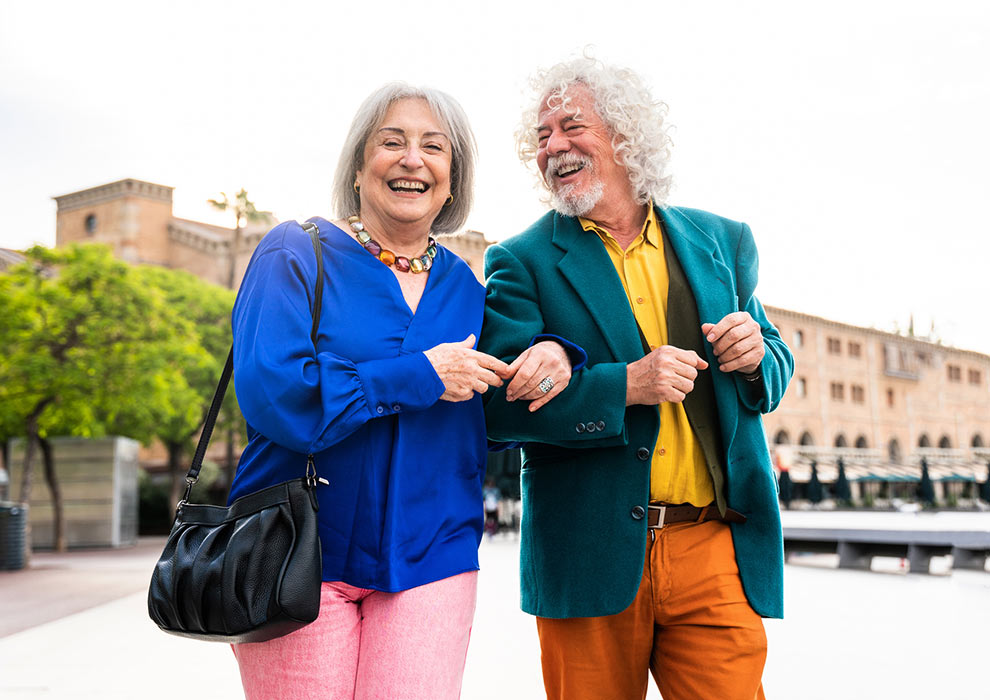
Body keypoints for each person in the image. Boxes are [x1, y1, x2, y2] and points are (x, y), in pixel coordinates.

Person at [227, 83, 572, 700]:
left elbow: (500, 391)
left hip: (432, 556)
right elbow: (275, 394)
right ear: (359, 167)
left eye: (434, 148)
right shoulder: (295, 253)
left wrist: (557, 352)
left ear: (450, 179)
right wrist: (419, 375)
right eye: (393, 142)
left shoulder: (467, 287)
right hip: (295, 550)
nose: (413, 159)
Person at [480, 57, 795, 700]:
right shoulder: (521, 260)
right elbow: (497, 410)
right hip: (586, 553)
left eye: (572, 127)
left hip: (713, 546)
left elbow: (774, 357)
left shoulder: (721, 241)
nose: (554, 147)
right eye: (542, 137)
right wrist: (622, 386)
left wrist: (757, 354)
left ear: (626, 137)